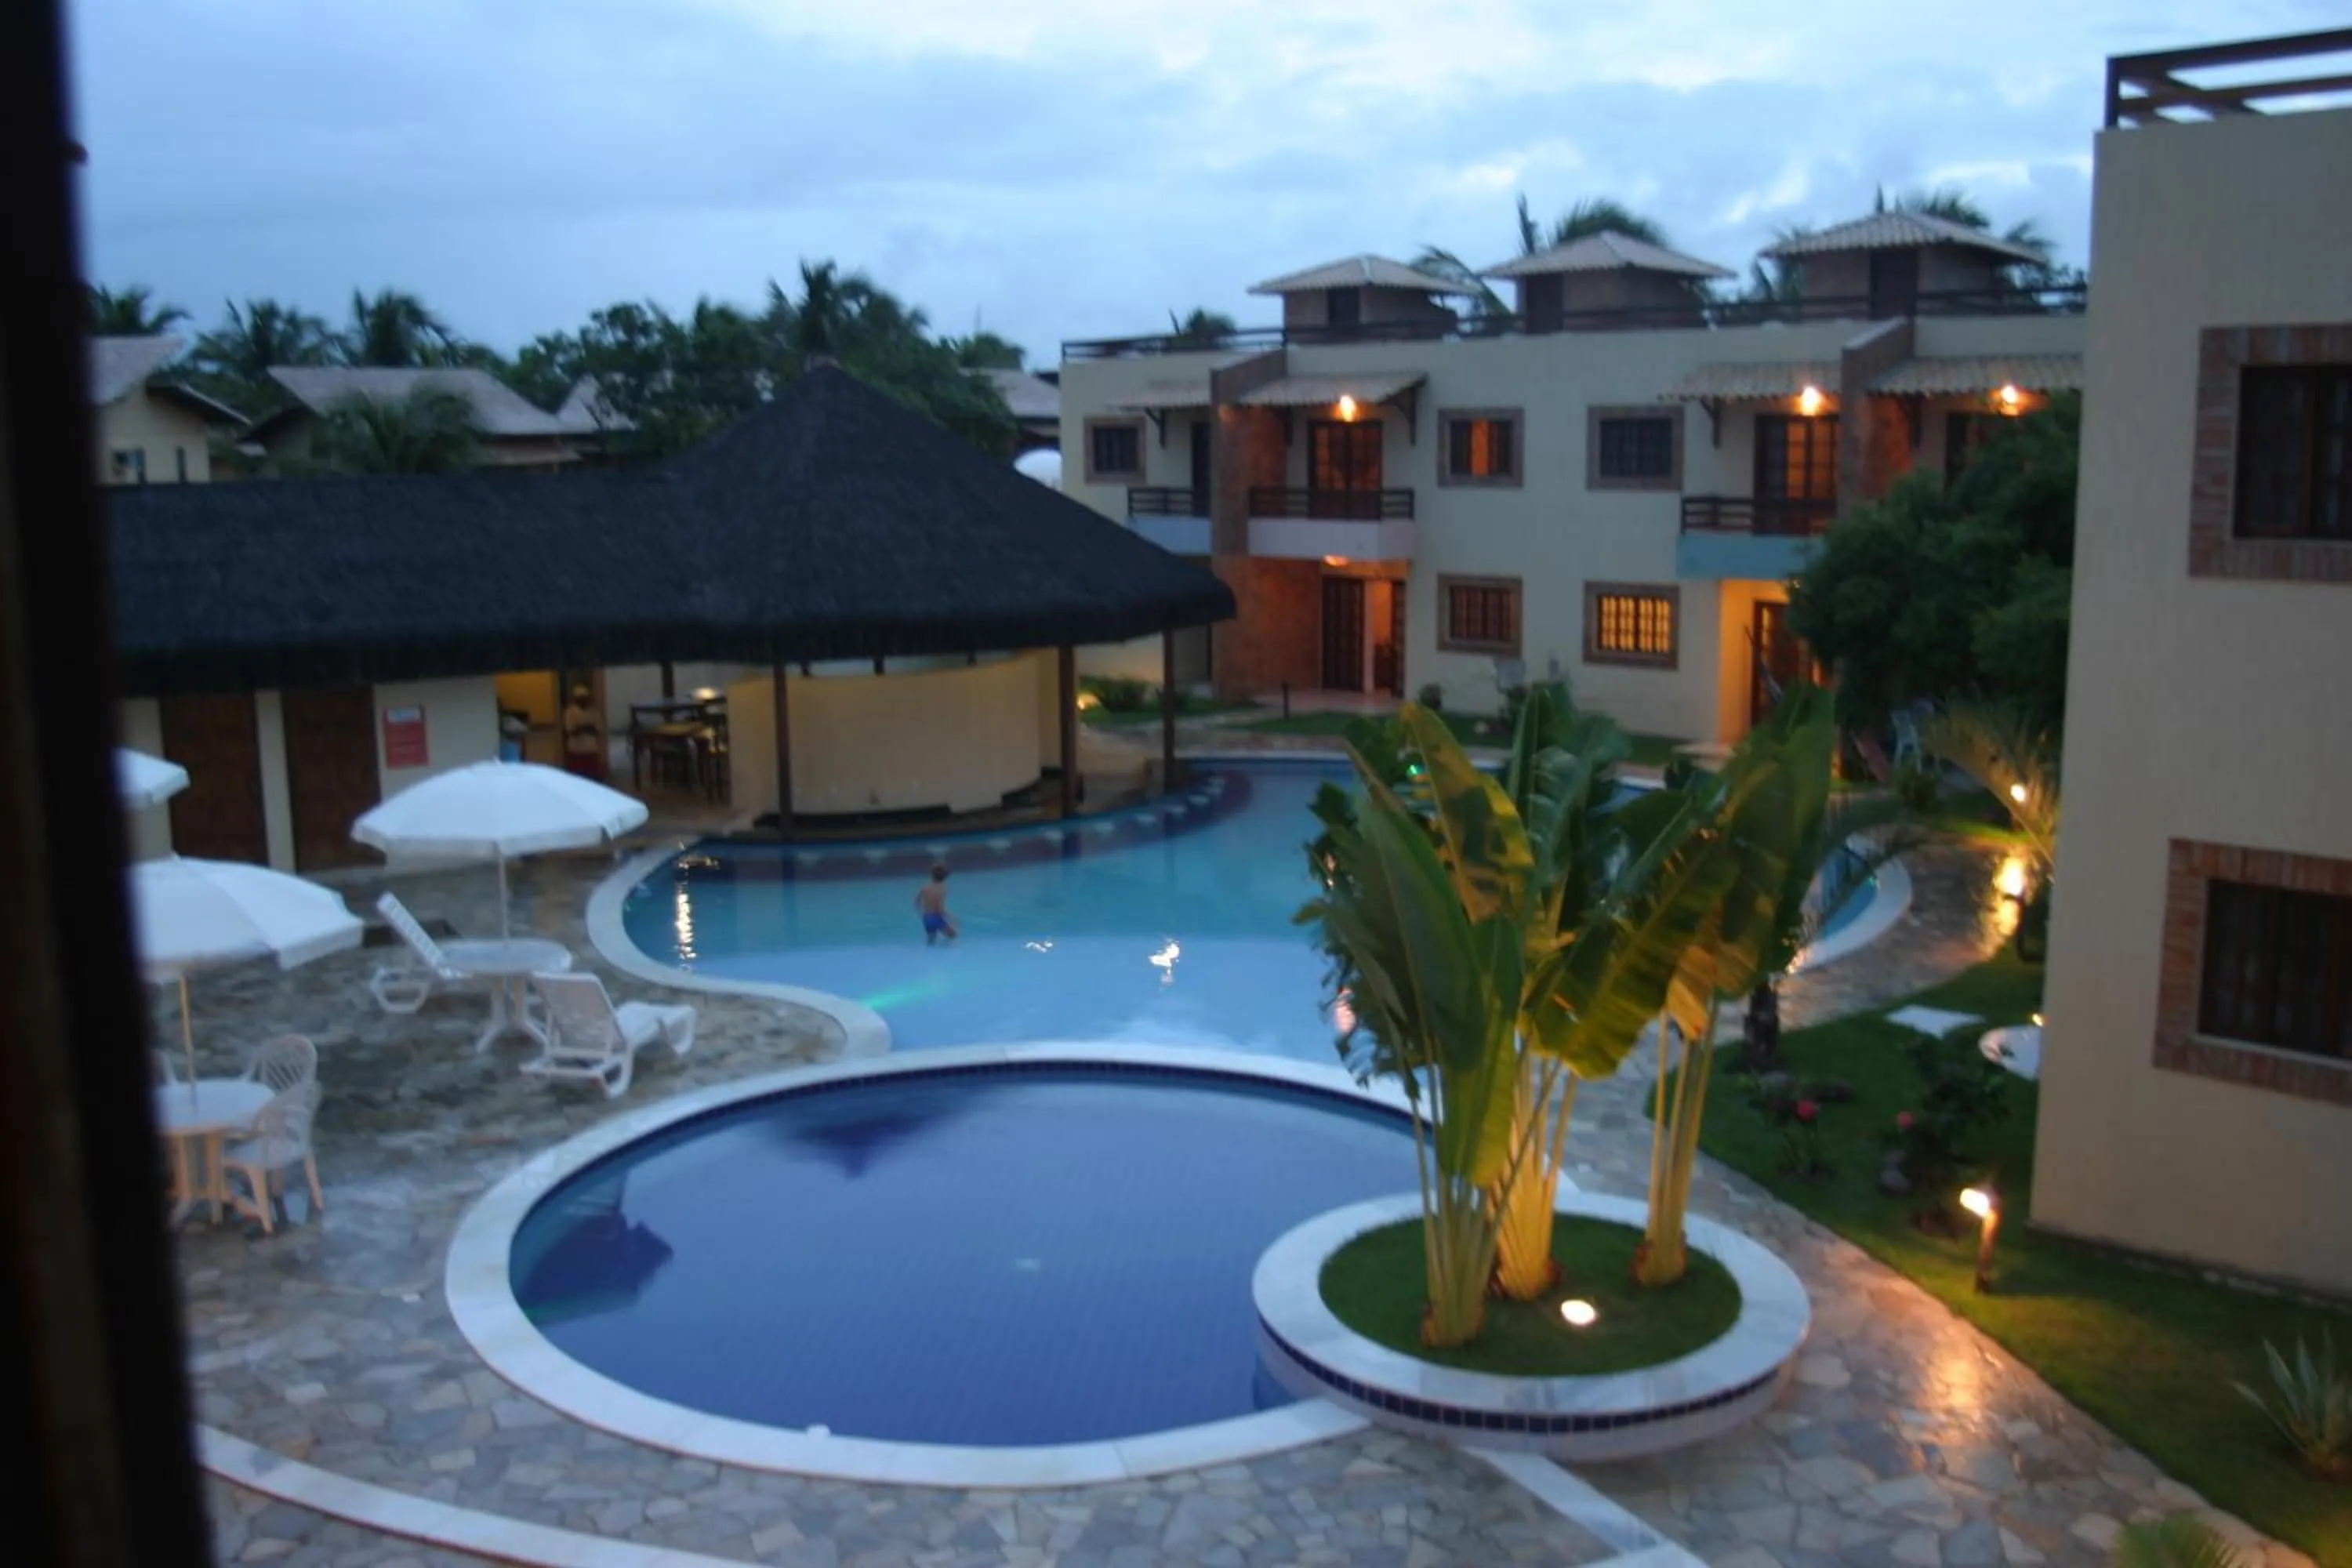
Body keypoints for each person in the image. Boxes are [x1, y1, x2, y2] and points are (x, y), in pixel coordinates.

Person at [561, 685, 604, 780]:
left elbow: (597, 730)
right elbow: (571, 731)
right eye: (580, 698)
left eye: (584, 698)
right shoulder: (570, 712)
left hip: (591, 750)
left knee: (593, 779)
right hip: (575, 750)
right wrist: (588, 727)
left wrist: (581, 727)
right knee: (576, 779)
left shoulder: (594, 712)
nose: (583, 700)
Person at [915, 863, 958, 945]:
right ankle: (945, 950)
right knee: (953, 936)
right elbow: (940, 910)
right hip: (936, 917)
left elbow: (916, 902)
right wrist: (952, 919)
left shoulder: (925, 887)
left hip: (926, 918)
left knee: (931, 940)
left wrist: (922, 914)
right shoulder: (942, 889)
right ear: (945, 877)